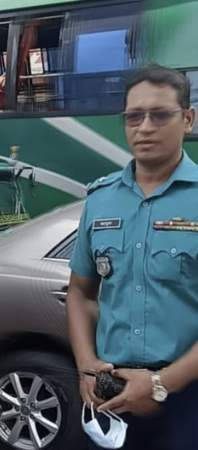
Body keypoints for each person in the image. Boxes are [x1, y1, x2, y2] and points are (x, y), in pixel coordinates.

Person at [67, 65, 198, 449]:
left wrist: (160, 384)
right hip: (109, 391)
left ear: (187, 119)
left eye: (160, 115)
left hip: (187, 396)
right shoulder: (101, 198)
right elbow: (81, 292)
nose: (144, 127)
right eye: (133, 116)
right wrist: (86, 366)